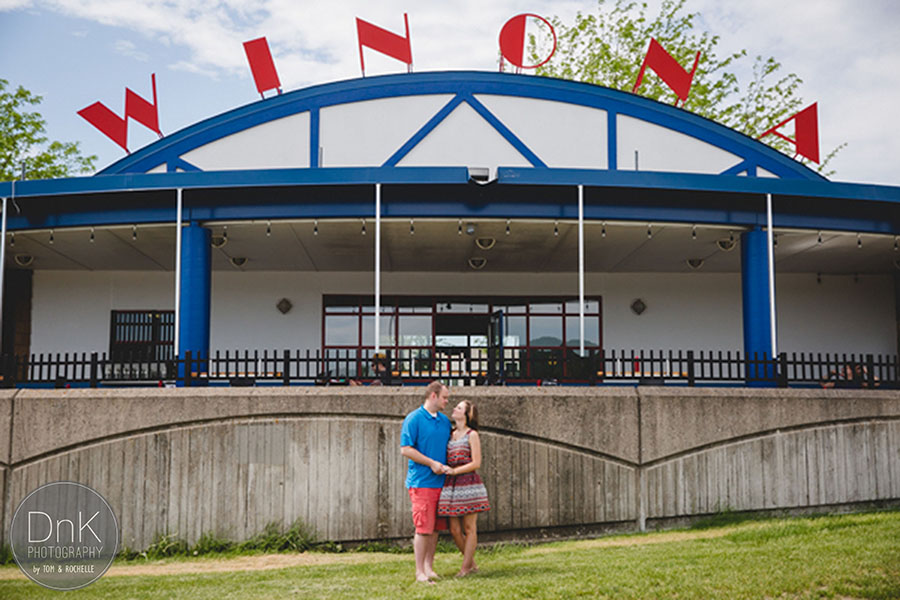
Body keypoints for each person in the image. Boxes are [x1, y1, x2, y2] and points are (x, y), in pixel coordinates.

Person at [400, 381, 452, 584]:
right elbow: (406, 449)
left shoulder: (445, 421)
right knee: (423, 528)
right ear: (433, 396)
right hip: (422, 483)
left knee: (436, 528)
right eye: (444, 397)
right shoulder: (413, 419)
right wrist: (431, 463)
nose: (447, 401)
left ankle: (429, 567)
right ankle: (419, 571)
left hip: (442, 483)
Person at [437, 400, 491, 577]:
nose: (454, 408)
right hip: (452, 485)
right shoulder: (450, 434)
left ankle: (465, 567)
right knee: (454, 529)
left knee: (469, 527)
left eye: (459, 408)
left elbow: (476, 462)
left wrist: (455, 470)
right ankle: (471, 563)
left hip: (468, 483)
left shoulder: (472, 435)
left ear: (467, 415)